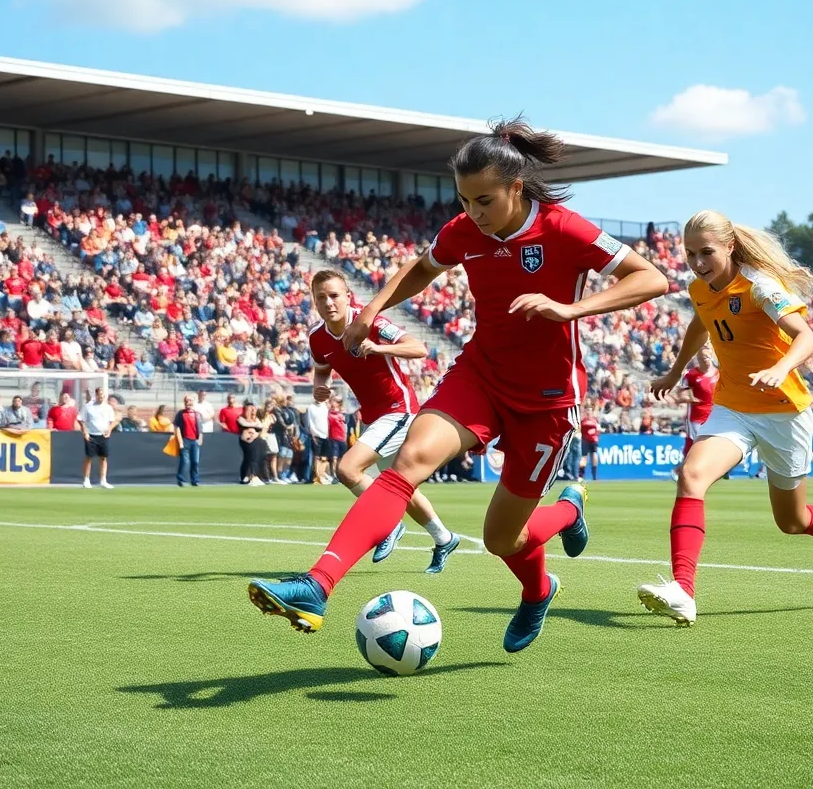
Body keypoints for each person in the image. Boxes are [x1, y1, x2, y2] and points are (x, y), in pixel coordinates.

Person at [249, 116, 668, 651]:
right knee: (406, 466)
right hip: (480, 375)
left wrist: (570, 308)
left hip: (547, 401)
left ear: (516, 188)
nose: (473, 213)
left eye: (485, 200)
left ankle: (556, 542)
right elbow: (422, 268)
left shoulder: (565, 227)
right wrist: (370, 309)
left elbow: (651, 277)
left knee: (501, 539)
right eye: (465, 200)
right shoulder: (464, 230)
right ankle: (317, 584)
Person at [638, 210, 813, 627]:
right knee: (691, 476)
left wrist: (781, 368)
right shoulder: (700, 288)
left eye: (706, 253)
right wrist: (676, 370)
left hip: (783, 411)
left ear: (730, 247)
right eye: (690, 253)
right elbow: (701, 323)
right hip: (732, 407)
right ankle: (683, 591)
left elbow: (808, 337)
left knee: (793, 521)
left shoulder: (760, 286)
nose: (697, 262)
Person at [305, 268, 461, 572]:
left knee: (348, 470)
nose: (329, 302)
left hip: (399, 410)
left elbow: (419, 348)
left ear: (348, 296)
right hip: (374, 417)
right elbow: (322, 367)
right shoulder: (317, 337)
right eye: (321, 297)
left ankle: (387, 525)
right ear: (314, 301)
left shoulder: (370, 323)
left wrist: (378, 347)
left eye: (334, 295)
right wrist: (319, 386)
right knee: (403, 487)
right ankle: (444, 538)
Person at [80, 386, 116, 489]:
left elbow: (112, 420)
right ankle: (86, 480)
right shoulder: (88, 406)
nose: (101, 398)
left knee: (103, 458)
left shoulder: (108, 407)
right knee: (89, 457)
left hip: (103, 435)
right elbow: (81, 419)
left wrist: (109, 430)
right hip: (91, 434)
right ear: (96, 395)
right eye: (100, 396)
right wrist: (85, 432)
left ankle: (103, 480)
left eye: (103, 396)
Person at [174, 394, 203, 487]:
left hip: (195, 440)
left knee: (195, 462)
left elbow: (200, 428)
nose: (188, 403)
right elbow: (177, 428)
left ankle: (195, 480)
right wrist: (180, 442)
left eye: (190, 400)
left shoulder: (197, 414)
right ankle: (181, 479)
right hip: (185, 440)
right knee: (185, 461)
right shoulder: (181, 414)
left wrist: (200, 439)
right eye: (186, 401)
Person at [237, 401, 266, 486]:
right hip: (245, 440)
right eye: (249, 409)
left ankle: (252, 476)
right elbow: (244, 424)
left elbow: (260, 426)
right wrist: (254, 425)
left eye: (253, 409)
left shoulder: (256, 418)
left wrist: (254, 432)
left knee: (254, 458)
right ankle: (245, 476)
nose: (252, 411)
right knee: (248, 458)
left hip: (255, 440)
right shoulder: (240, 418)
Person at [579, 410, 601, 480]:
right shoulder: (584, 421)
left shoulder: (594, 421)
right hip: (586, 440)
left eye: (590, 412)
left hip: (592, 440)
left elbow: (598, 429)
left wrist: (596, 435)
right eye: (588, 412)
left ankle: (592, 476)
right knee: (585, 457)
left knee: (593, 455)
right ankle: (581, 475)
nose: (589, 413)